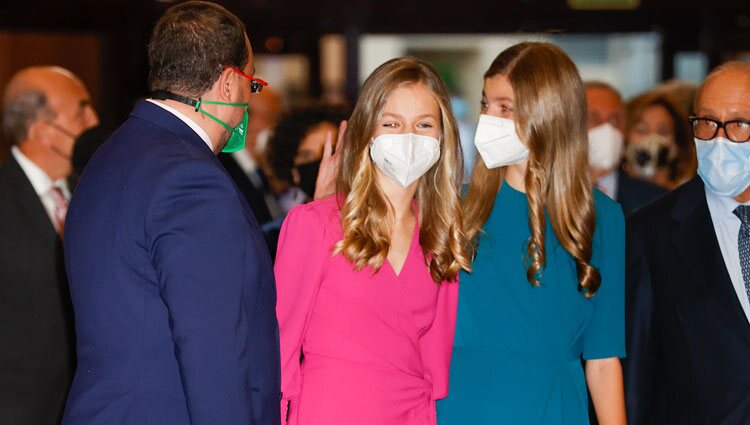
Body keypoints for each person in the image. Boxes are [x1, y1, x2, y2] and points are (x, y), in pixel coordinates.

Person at [61, 2, 280, 425]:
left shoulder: (110, 156)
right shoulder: (192, 178)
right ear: (230, 84)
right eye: (252, 86)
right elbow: (212, 352)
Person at [437, 42, 626, 425]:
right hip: (460, 406)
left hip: (551, 409)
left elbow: (604, 359)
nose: (490, 117)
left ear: (549, 113)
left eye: (506, 107)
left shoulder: (598, 217)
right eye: (486, 104)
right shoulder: (454, 206)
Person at [275, 57, 470, 425]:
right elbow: (279, 350)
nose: (408, 137)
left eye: (423, 124)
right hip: (327, 411)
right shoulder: (314, 223)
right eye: (391, 123)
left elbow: (434, 370)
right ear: (367, 130)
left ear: (442, 136)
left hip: (410, 412)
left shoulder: (440, 233)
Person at [625, 61, 750, 425]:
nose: (719, 139)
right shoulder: (650, 235)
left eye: (738, 124)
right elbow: (636, 374)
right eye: (707, 123)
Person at [0, 66, 98, 425]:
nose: (95, 119)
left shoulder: (94, 192)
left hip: (89, 406)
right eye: (81, 110)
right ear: (43, 130)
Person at [585, 81, 666, 215]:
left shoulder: (657, 201)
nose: (607, 129)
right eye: (594, 118)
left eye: (614, 120)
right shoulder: (545, 196)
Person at [219, 86, 284, 224]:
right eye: (271, 117)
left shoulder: (270, 168)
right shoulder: (222, 169)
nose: (274, 125)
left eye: (276, 117)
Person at [624, 91, 696, 189]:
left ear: (677, 142)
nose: (652, 139)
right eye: (641, 130)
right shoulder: (610, 193)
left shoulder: (687, 196)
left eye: (663, 132)